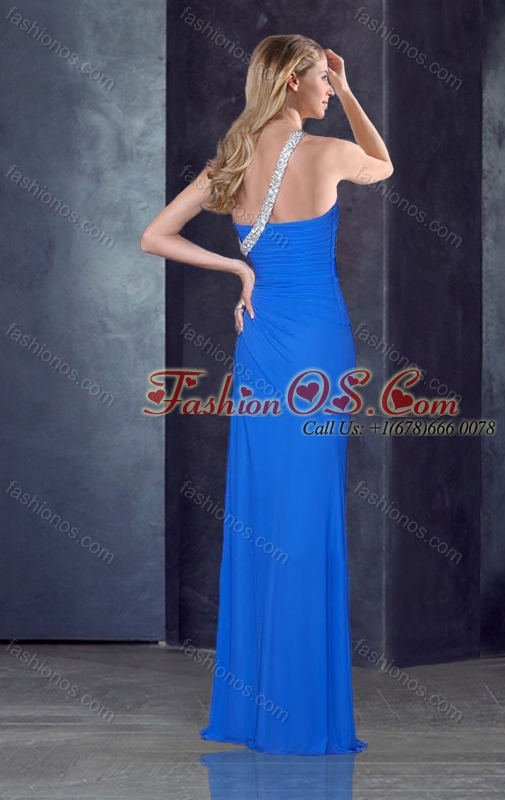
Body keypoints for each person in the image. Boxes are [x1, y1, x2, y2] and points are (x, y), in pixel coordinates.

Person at [141, 34, 393, 755]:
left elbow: (155, 235)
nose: (328, 90)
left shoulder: (232, 158)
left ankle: (259, 711)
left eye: (331, 83)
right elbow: (383, 164)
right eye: (322, 79)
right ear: (290, 82)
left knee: (264, 510)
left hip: (262, 343)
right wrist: (354, 93)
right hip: (318, 344)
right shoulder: (329, 153)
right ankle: (301, 713)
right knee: (307, 512)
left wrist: (240, 270)